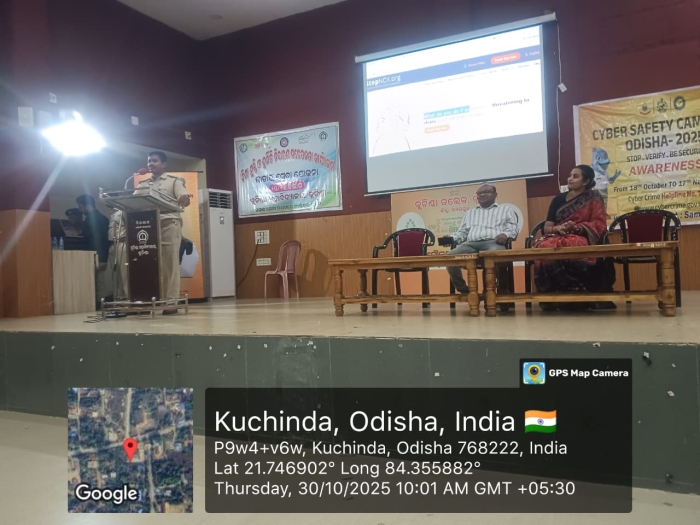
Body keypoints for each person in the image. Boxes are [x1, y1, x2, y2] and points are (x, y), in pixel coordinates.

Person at [533, 164, 615, 310]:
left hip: (583, 236)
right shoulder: (558, 199)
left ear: (586, 181)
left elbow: (598, 223)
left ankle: (578, 292)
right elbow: (547, 227)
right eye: (570, 175)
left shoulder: (594, 198)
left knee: (575, 243)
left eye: (575, 176)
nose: (570, 179)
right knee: (544, 246)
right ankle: (554, 294)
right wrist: (558, 228)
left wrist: (577, 228)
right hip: (558, 235)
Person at [438, 184, 519, 294]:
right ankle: (464, 290)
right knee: (449, 257)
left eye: (486, 192)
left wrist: (505, 234)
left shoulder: (505, 209)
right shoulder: (470, 212)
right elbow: (463, 233)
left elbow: (513, 228)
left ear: (495, 195)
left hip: (493, 243)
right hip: (471, 244)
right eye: (479, 193)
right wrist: (451, 239)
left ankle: (501, 289)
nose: (482, 194)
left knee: (496, 256)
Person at [137, 151, 190, 314]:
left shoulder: (174, 181)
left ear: (164, 164)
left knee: (169, 264)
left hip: (168, 223)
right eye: (149, 161)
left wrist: (184, 198)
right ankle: (147, 300)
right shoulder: (143, 184)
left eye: (154, 161)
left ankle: (170, 302)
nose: (150, 164)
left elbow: (184, 197)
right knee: (147, 263)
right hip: (147, 226)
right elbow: (132, 202)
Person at [76, 194, 111, 307]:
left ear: (87, 206)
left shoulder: (89, 219)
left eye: (81, 207)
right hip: (104, 256)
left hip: (92, 255)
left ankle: (92, 305)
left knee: (90, 283)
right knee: (100, 282)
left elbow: (85, 237)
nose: (81, 210)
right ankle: (101, 305)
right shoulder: (104, 219)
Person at [108, 209, 128, 300]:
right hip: (113, 244)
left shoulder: (124, 210)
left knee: (124, 275)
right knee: (116, 275)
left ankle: (127, 297)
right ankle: (119, 297)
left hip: (122, 243)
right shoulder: (114, 212)